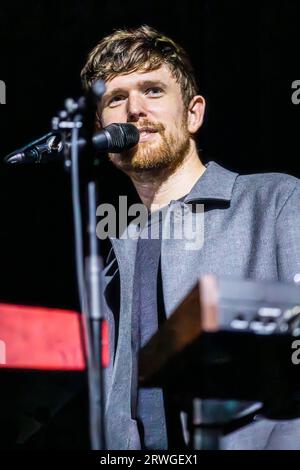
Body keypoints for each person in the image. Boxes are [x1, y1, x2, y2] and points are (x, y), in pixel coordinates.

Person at [81, 25, 300, 450]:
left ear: (194, 114)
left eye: (153, 90)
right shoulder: (116, 255)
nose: (135, 110)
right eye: (116, 98)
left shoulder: (276, 200)